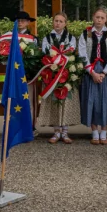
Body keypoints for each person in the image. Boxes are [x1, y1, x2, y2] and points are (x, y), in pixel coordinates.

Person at [78, 8, 107, 145]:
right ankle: (94, 132)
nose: (99, 20)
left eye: (102, 18)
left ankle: (104, 132)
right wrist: (92, 72)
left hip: (106, 73)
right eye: (97, 17)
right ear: (93, 17)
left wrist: (104, 73)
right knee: (92, 101)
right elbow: (82, 54)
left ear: (106, 19)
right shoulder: (86, 34)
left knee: (105, 101)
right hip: (90, 72)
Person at [39, 12, 81, 144]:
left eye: (61, 21)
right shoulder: (47, 38)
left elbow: (71, 52)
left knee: (66, 102)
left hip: (66, 73)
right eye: (56, 21)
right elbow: (46, 53)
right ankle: (56, 132)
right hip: (52, 73)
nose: (58, 23)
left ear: (65, 23)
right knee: (54, 102)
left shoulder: (71, 37)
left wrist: (64, 66)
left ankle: (65, 132)